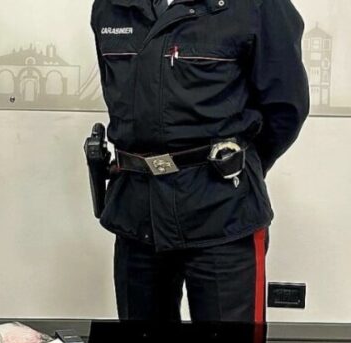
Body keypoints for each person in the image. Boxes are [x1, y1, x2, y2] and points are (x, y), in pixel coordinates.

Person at [90, 0, 309, 322]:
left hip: (223, 213)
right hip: (137, 215)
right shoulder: (111, 6)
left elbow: (286, 110)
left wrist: (233, 165)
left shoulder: (257, 6)